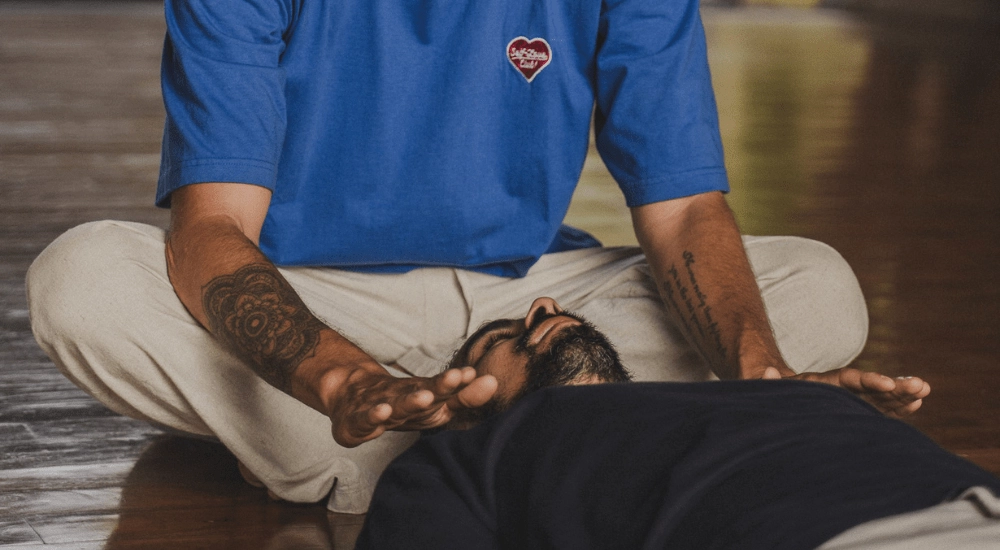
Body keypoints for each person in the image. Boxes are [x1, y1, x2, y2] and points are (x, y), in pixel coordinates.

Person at [24, 0, 928, 513]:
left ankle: (383, 455)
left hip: (522, 299)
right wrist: (340, 376)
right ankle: (549, 433)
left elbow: (686, 204)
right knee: (83, 281)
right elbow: (212, 230)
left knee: (817, 287)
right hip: (315, 303)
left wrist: (759, 375)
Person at [356, 304, 998, 550]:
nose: (544, 309)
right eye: (497, 338)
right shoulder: (480, 454)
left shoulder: (781, 395)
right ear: (464, 409)